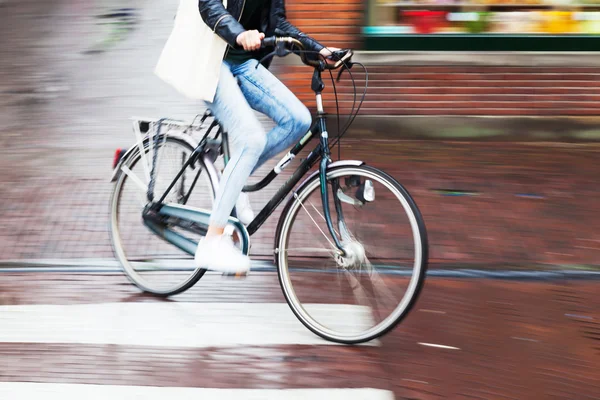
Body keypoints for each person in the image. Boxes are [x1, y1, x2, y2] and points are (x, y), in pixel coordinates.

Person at [193, 0, 338, 274]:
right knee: (252, 139)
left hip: (244, 64)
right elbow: (209, 5)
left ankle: (233, 174)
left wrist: (318, 49)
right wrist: (238, 33)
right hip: (211, 62)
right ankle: (211, 242)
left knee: (298, 120)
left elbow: (277, 23)